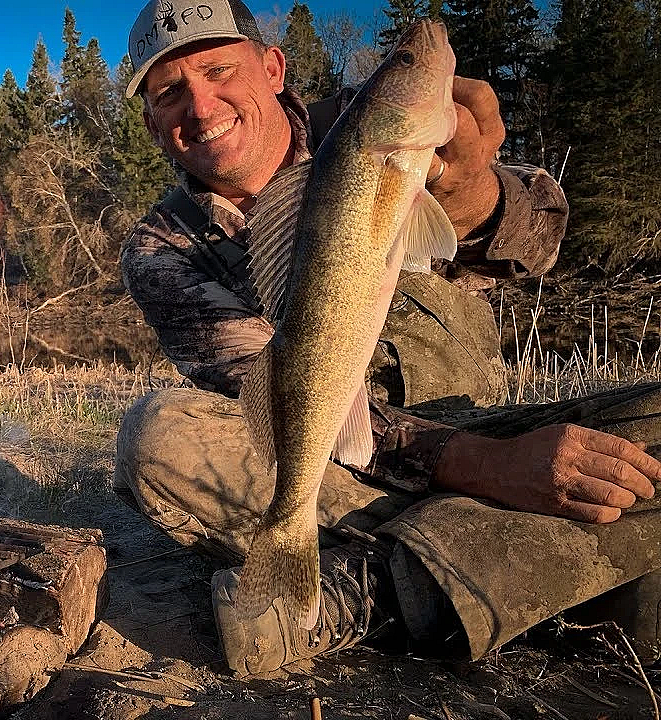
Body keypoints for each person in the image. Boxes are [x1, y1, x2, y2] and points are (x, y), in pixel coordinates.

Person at [115, 0, 661, 676]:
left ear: (274, 67)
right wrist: (495, 472)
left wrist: (474, 197)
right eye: (170, 92)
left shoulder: (367, 128)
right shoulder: (160, 248)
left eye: (218, 69)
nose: (200, 104)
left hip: (492, 428)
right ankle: (496, 569)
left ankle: (381, 588)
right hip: (338, 475)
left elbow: (543, 240)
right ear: (151, 123)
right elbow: (282, 403)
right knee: (160, 440)